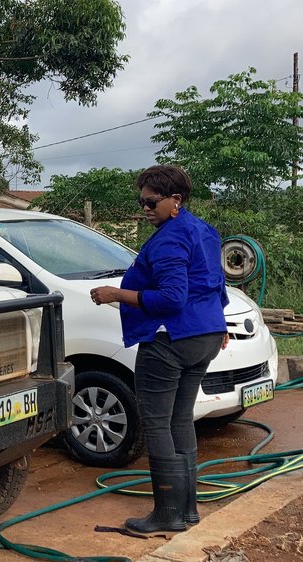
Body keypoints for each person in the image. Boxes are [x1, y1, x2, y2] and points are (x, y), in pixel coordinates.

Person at [89, 165, 230, 534]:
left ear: (175, 201)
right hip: (204, 336)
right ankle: (188, 510)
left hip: (170, 341)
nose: (145, 209)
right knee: (179, 419)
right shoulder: (203, 230)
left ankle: (166, 514)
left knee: (156, 424)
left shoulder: (169, 239)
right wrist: (218, 325)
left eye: (152, 202)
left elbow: (171, 297)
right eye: (142, 202)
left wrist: (115, 294)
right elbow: (215, 284)